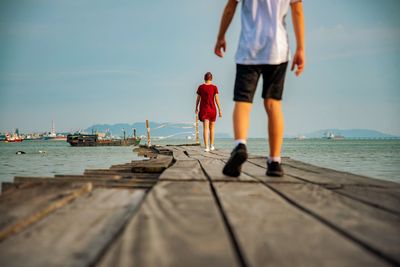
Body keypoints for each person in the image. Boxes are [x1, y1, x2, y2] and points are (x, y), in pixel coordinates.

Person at [215, 0, 305, 177]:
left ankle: (240, 145)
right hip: (277, 50)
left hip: (249, 49)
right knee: (273, 105)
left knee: (243, 102)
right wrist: (301, 48)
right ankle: (274, 162)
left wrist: (221, 37)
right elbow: (298, 11)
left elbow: (230, 7)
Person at [195, 72, 222, 152]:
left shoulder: (201, 87)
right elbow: (217, 99)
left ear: (204, 78)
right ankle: (212, 146)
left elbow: (198, 99)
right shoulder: (214, 87)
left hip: (205, 110)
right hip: (213, 110)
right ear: (211, 78)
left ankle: (206, 147)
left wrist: (196, 107)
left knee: (205, 129)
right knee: (212, 128)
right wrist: (220, 109)